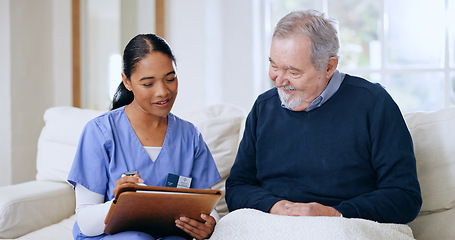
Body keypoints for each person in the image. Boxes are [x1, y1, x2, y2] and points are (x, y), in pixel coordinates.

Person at [225, 9, 422, 224]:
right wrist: (274, 207)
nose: (278, 80)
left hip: (345, 225)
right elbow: (237, 187)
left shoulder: (374, 103)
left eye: (292, 71)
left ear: (329, 67)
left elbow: (404, 196)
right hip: (271, 224)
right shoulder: (264, 107)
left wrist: (334, 213)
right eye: (273, 65)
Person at [67, 34, 221, 240]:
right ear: (127, 82)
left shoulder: (190, 136)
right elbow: (86, 221)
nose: (163, 92)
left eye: (170, 78)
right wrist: (119, 202)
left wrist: (211, 224)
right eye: (148, 84)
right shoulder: (100, 132)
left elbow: (207, 206)